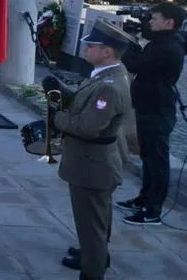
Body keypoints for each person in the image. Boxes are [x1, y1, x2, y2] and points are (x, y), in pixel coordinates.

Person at [53, 19, 134, 279]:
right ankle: (93, 256)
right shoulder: (106, 74)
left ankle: (93, 269)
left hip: (92, 165)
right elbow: (83, 103)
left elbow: (86, 126)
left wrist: (55, 116)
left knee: (92, 228)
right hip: (94, 162)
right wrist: (61, 91)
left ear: (107, 51)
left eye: (91, 46)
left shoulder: (110, 87)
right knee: (96, 222)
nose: (85, 49)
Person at [117, 2, 186, 225]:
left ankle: (153, 210)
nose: (150, 22)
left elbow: (134, 63)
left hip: (158, 109)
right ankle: (143, 198)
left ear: (169, 23)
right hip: (148, 106)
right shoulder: (164, 40)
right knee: (148, 156)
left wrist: (130, 43)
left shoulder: (167, 48)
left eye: (154, 19)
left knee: (157, 162)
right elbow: (152, 38)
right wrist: (140, 31)